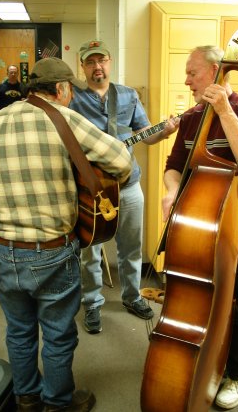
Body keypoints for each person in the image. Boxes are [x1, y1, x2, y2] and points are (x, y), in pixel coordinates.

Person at [0, 57, 132, 412]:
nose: (71, 98)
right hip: (49, 252)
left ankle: (27, 398)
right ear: (61, 90)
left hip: (0, 251)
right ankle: (57, 403)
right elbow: (122, 162)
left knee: (18, 331)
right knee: (58, 335)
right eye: (70, 92)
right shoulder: (63, 117)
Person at [162, 46, 238, 410]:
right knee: (196, 290)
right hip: (196, 217)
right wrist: (171, 191)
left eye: (192, 72)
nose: (186, 80)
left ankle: (237, 374)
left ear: (215, 70)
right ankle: (202, 357)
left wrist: (224, 111)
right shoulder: (193, 116)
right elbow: (175, 162)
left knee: (234, 296)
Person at [69, 40, 177, 334]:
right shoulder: (72, 98)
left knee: (131, 247)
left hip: (128, 185)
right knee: (91, 249)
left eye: (101, 60)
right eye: (90, 62)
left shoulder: (128, 95)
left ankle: (132, 296)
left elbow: (145, 134)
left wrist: (164, 132)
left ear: (110, 61)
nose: (97, 67)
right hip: (92, 188)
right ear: (82, 66)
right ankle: (91, 302)